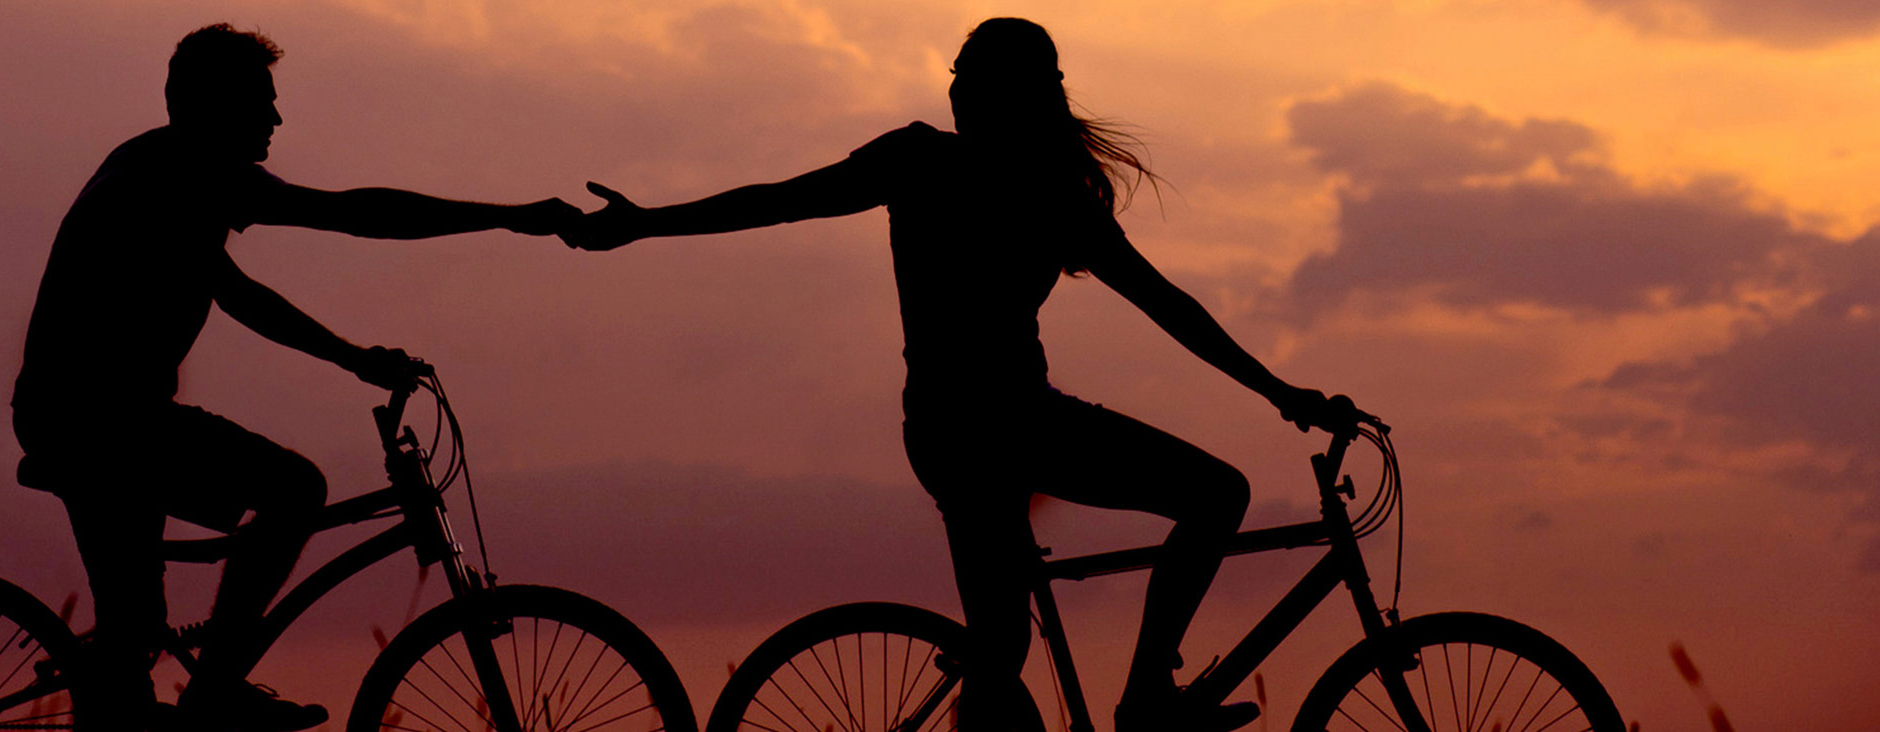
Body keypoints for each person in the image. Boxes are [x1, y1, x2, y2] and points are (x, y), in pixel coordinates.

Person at [560, 17, 1359, 732]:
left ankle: (1104, 697)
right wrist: (1281, 395)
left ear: (997, 89)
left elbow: (1168, 304)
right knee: (1214, 496)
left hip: (953, 430)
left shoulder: (963, 172)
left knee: (1003, 641)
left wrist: (645, 227)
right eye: (954, 70)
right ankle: (1148, 692)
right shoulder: (1026, 186)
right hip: (1010, 425)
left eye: (965, 71)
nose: (952, 85)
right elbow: (781, 201)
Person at [11, 24, 578, 732]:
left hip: (111, 420)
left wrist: (355, 358)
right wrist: (510, 218)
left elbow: (239, 290)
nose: (276, 118)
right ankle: (214, 687)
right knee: (292, 490)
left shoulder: (170, 173)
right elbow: (347, 218)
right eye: (261, 101)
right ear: (215, 105)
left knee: (134, 645)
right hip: (96, 424)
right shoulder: (175, 176)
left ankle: (200, 687)